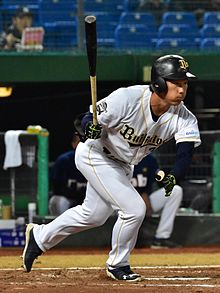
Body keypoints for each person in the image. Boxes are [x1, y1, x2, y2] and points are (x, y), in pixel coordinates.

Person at [22, 54, 201, 282]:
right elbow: (86, 119)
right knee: (135, 209)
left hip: (123, 165)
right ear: (159, 83)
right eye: (176, 83)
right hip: (96, 154)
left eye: (184, 83)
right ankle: (118, 264)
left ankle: (39, 236)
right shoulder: (127, 98)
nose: (182, 89)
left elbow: (185, 153)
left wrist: (174, 176)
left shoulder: (184, 117)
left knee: (93, 215)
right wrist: (90, 129)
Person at [131, 154, 183, 248]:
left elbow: (159, 181)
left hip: (145, 200)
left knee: (175, 191)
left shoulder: (149, 159)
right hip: (120, 203)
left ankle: (161, 238)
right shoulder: (120, 156)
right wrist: (141, 195)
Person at [49, 133, 87, 216]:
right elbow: (57, 188)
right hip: (70, 197)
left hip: (91, 200)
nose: (84, 145)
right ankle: (60, 227)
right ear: (73, 144)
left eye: (86, 141)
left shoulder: (97, 160)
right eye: (80, 142)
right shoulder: (64, 160)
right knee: (57, 201)